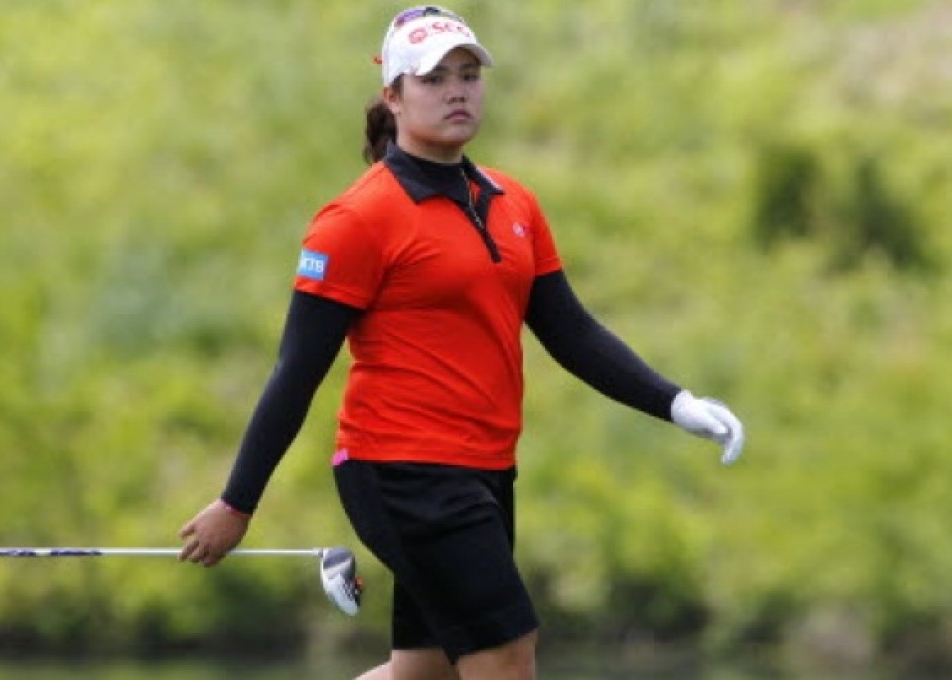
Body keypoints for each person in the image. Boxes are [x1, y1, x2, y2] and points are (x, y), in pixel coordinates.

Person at [178, 5, 745, 680]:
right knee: (506, 657)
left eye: (469, 74)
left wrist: (675, 402)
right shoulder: (356, 220)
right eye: (434, 77)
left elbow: (571, 332)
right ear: (393, 96)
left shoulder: (515, 205)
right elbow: (296, 371)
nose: (457, 90)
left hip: (483, 470)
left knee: (427, 672)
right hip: (402, 469)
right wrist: (238, 503)